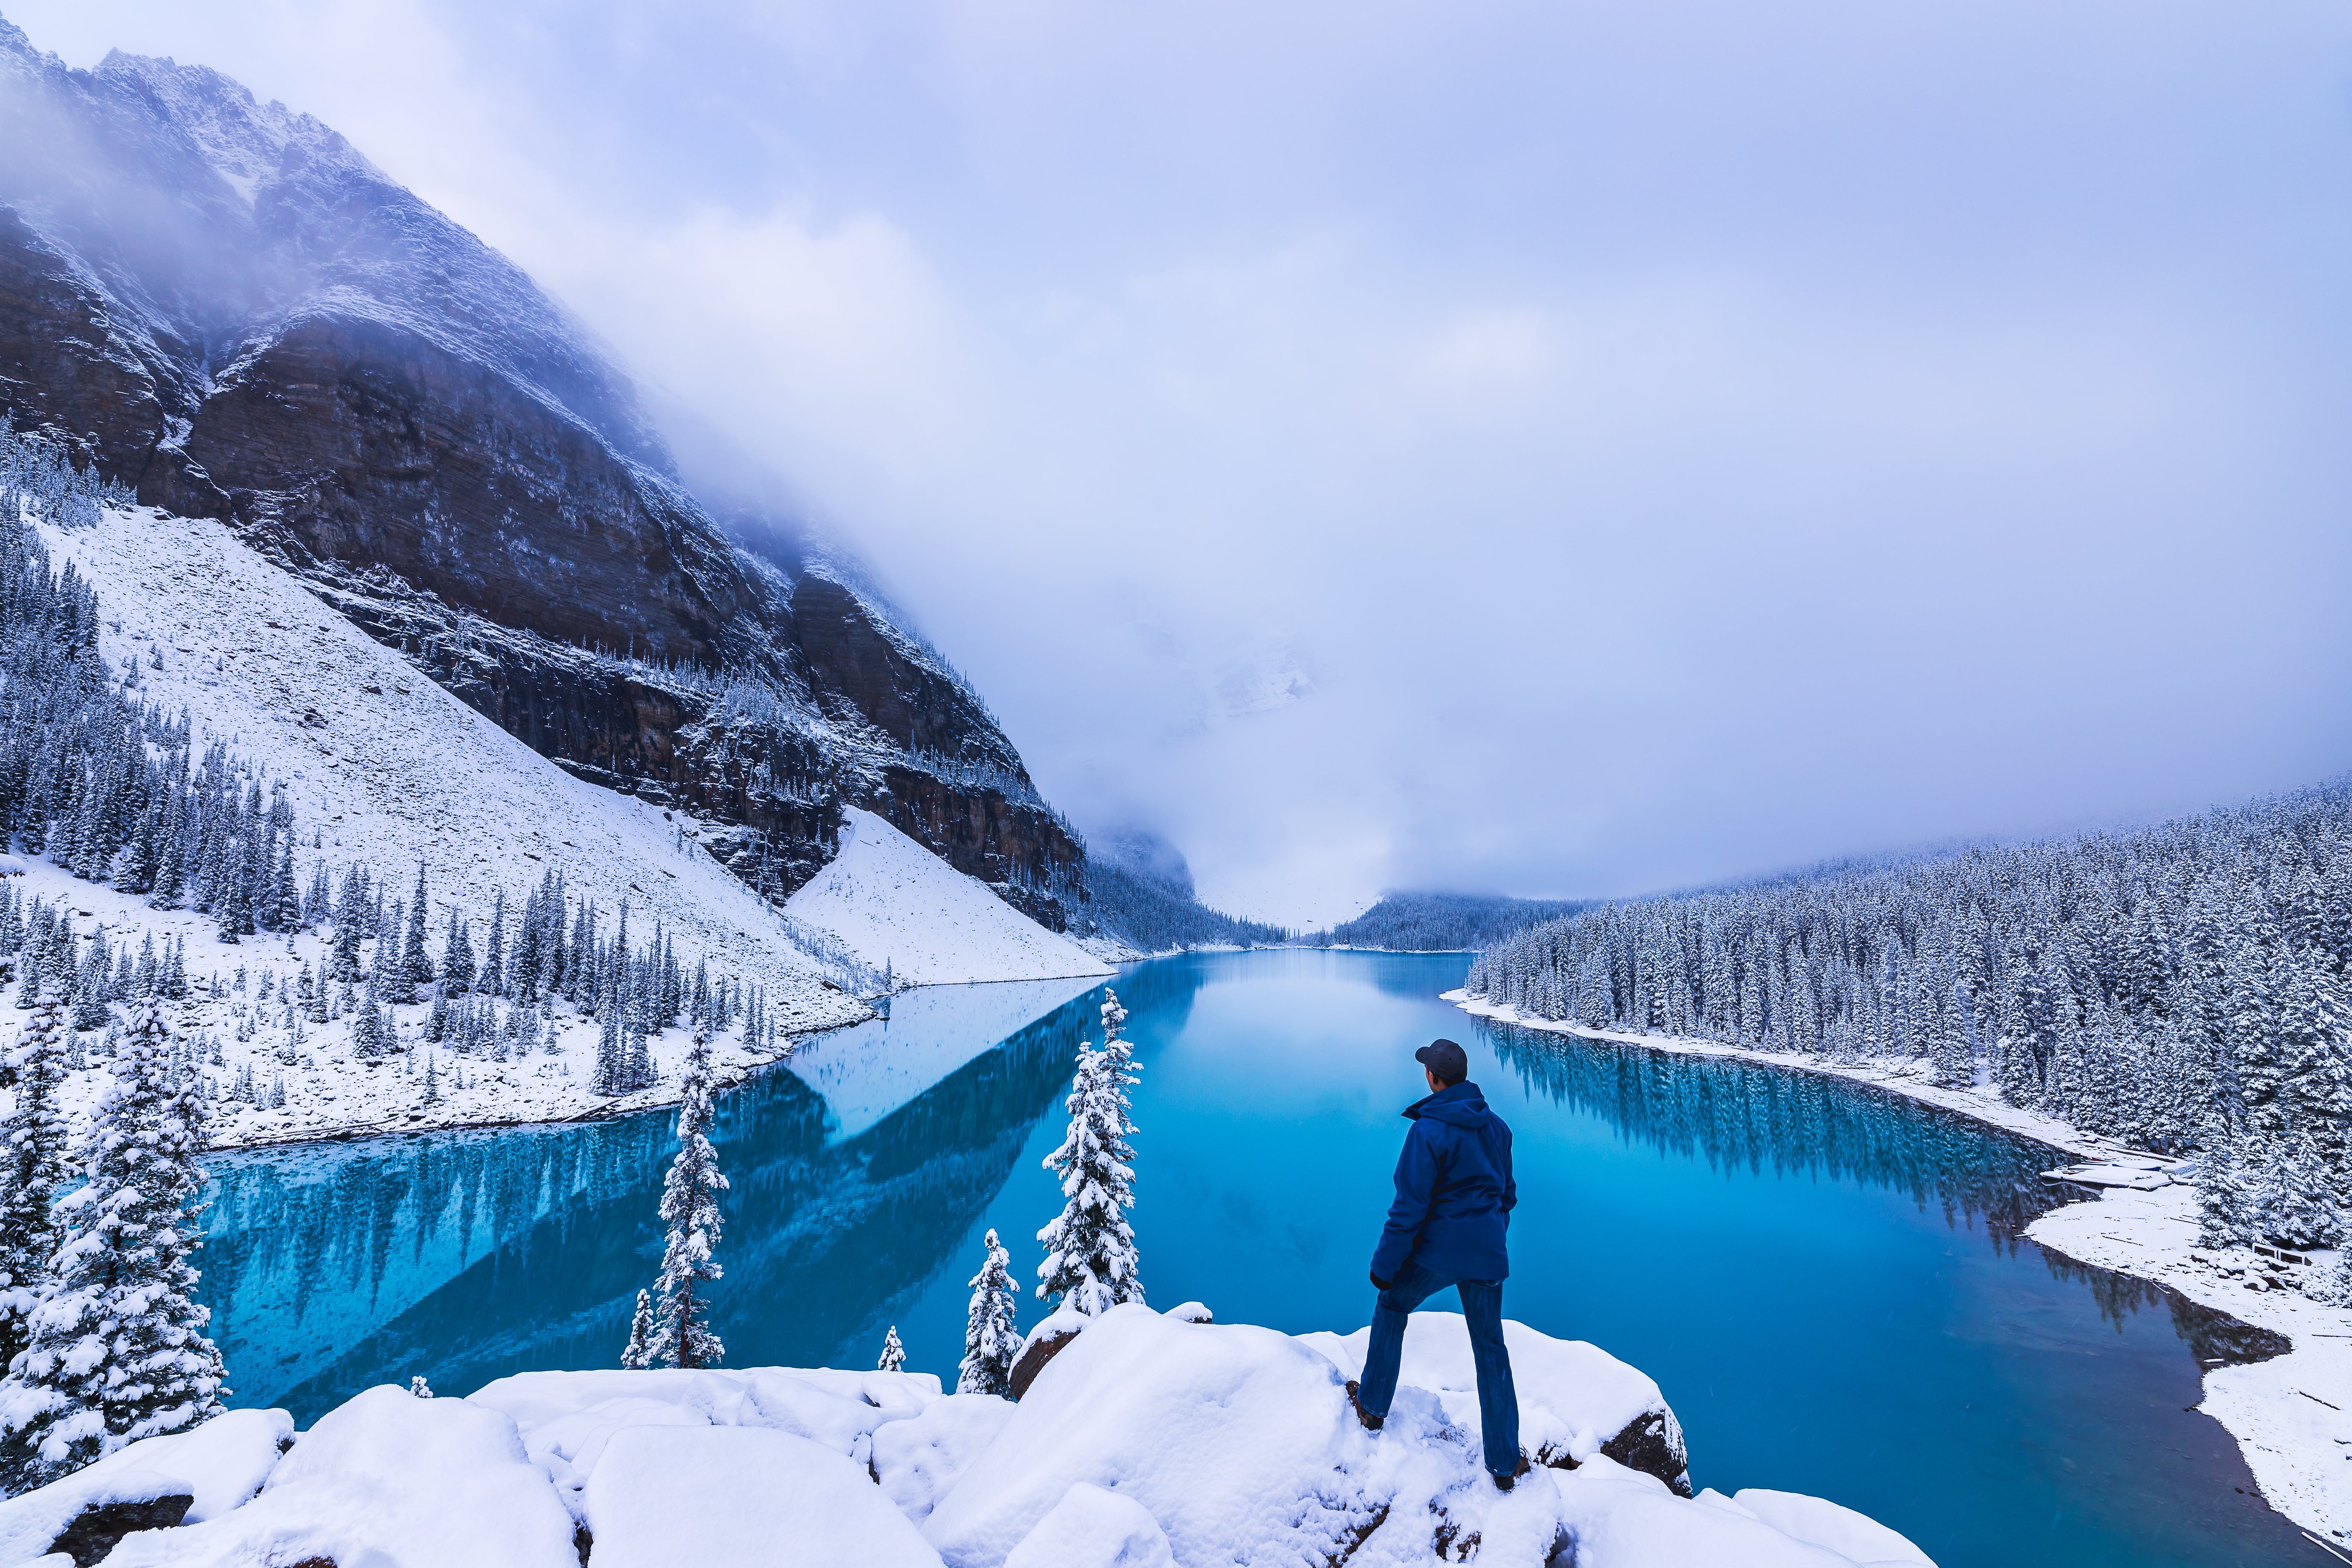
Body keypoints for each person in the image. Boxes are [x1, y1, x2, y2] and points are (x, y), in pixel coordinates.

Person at [1351, 1037, 1524, 1488]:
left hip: (1437, 1255)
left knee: (1391, 1305)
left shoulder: (1427, 1131)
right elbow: (1507, 1196)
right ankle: (1504, 1463)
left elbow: (1408, 1208)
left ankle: (1372, 1407)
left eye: (1427, 1067)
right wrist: (1487, 1237)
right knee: (1491, 1349)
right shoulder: (1499, 1128)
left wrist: (1384, 1266)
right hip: (1486, 1255)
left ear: (1433, 1078)